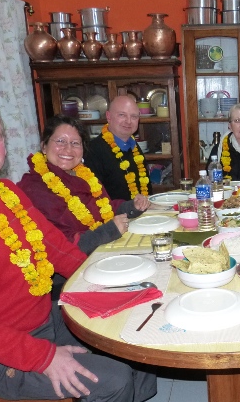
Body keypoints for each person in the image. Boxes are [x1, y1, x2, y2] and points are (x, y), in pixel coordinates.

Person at [0, 99, 177, 402]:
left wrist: (116, 284)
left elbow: (56, 249)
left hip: (40, 318)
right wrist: (43, 357)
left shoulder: (7, 192)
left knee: (132, 319)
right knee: (113, 378)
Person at [17, 115, 152, 298]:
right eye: (60, 141)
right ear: (44, 146)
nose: (68, 149)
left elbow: (104, 208)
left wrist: (131, 206)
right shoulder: (35, 188)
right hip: (66, 280)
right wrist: (108, 231)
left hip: (99, 257)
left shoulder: (81, 176)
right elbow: (61, 246)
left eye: (75, 143)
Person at [84, 95, 152, 200]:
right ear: (108, 116)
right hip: (114, 214)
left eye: (134, 116)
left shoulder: (134, 146)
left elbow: (146, 187)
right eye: (122, 115)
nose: (128, 121)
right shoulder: (93, 150)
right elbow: (94, 198)